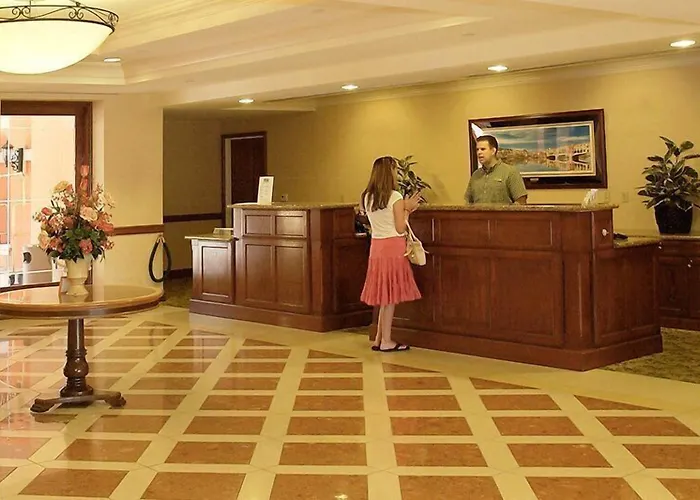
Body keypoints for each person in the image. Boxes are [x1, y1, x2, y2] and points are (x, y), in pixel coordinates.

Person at [359, 156, 422, 352]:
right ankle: (386, 340)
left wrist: (404, 206)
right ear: (390, 172)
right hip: (393, 246)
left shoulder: (367, 196)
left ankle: (379, 338)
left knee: (383, 295)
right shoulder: (395, 196)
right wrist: (407, 210)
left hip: (376, 247)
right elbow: (400, 227)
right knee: (390, 296)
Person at [465, 134, 528, 204]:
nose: (479, 152)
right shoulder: (475, 175)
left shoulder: (510, 172)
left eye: (483, 149)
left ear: (493, 151)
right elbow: (468, 201)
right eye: (477, 149)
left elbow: (521, 201)